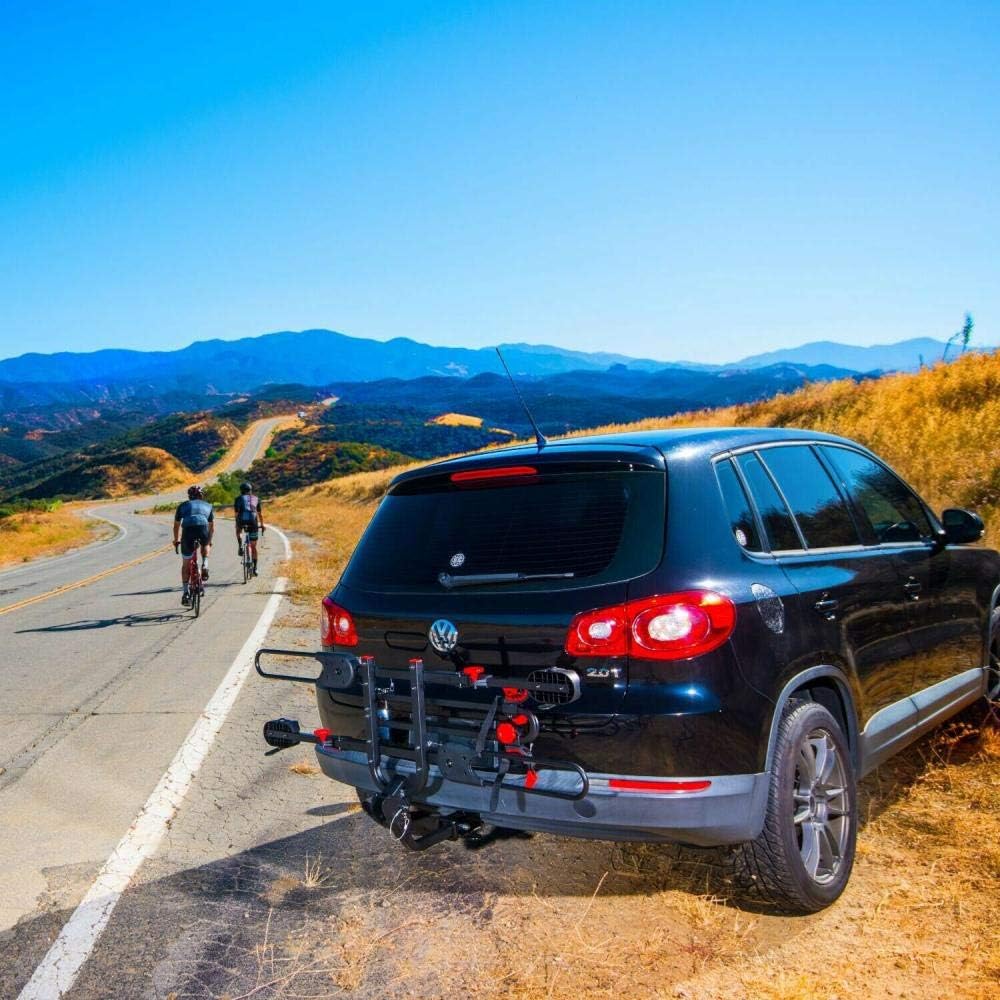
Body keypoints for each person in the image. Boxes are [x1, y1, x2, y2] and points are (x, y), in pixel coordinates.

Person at [173, 485, 214, 605]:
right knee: (205, 545)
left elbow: (176, 526)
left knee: (186, 564)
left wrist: (176, 540)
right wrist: (209, 541)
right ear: (201, 496)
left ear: (189, 496)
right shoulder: (208, 506)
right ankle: (205, 564)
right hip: (203, 528)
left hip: (188, 531)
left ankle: (185, 593)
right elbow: (212, 527)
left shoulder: (182, 506)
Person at [234, 480, 265, 576]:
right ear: (250, 490)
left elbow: (236, 514)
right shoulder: (256, 499)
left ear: (241, 491)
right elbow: (260, 514)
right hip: (253, 522)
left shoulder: (238, 499)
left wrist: (237, 524)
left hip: (242, 521)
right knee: (253, 546)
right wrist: (262, 525)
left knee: (238, 531)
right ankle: (255, 568)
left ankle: (240, 545)